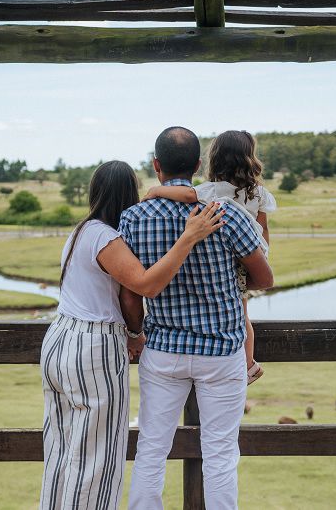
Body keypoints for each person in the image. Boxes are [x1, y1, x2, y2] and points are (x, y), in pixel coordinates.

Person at [39, 160, 225, 510]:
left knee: (62, 452)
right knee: (97, 460)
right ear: (128, 194)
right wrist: (188, 237)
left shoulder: (81, 230)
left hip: (60, 340)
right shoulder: (106, 237)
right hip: (92, 346)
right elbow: (143, 286)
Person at [122, 127, 274, 510]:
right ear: (197, 165)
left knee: (152, 450)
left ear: (156, 166)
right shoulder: (227, 214)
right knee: (220, 454)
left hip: (162, 351)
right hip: (221, 351)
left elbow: (129, 291)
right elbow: (265, 278)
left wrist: (136, 333)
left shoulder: (133, 218)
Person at [142, 129, 275, 384]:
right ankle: (248, 364)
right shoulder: (256, 192)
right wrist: (262, 254)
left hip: (227, 253)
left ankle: (247, 365)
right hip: (252, 250)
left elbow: (187, 194)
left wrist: (157, 192)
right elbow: (263, 225)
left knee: (239, 311)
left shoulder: (212, 190)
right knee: (242, 312)